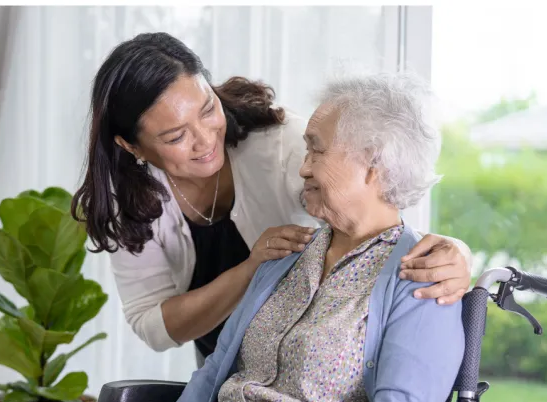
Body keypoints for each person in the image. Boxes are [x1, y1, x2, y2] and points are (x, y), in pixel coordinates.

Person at [55, 72, 466, 402]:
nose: (303, 167)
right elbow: (212, 374)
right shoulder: (285, 256)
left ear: (374, 165)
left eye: (316, 151)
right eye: (306, 150)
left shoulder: (423, 279)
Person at [71, 32, 472, 363]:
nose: (206, 139)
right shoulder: (127, 200)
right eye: (176, 136)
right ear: (131, 146)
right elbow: (154, 326)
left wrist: (454, 253)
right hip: (228, 376)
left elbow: (381, 212)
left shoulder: (285, 147)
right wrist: (251, 270)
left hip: (308, 364)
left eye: (208, 110)